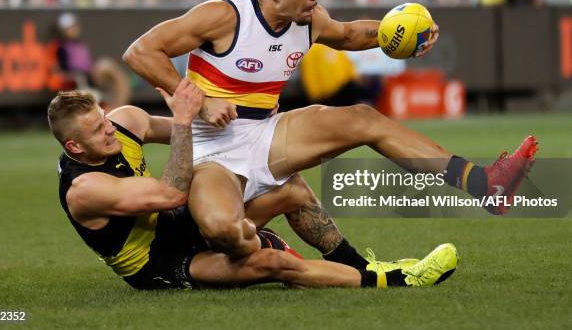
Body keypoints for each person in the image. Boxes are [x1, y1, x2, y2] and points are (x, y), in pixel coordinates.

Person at [123, 0, 537, 261]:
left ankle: (484, 183)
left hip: (266, 132)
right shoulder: (223, 16)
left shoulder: (309, 19)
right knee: (220, 232)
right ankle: (257, 247)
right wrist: (201, 100)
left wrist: (400, 33)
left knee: (364, 118)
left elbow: (349, 35)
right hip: (211, 147)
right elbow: (140, 52)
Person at [48, 81, 458, 290]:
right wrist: (185, 120)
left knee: (292, 190)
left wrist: (255, 117)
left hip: (178, 221)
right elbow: (172, 191)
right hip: (159, 262)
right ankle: (400, 280)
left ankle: (356, 263)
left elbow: (196, 133)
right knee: (272, 264)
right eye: (98, 131)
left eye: (105, 119)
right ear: (74, 146)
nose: (110, 131)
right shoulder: (86, 190)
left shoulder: (124, 121)